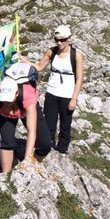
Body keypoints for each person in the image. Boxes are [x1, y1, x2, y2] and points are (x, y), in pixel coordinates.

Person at [0, 76, 52, 173]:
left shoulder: (28, 96)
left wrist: (26, 162)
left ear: (16, 94)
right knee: (7, 142)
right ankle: (6, 175)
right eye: (4, 100)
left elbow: (31, 131)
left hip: (25, 109)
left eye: (9, 100)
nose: (6, 102)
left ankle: (32, 168)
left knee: (44, 144)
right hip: (5, 114)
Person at [32, 25, 84, 154]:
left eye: (62, 40)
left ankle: (62, 150)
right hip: (52, 92)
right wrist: (24, 61)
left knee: (65, 125)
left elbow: (79, 78)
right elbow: (39, 67)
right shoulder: (51, 51)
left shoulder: (76, 55)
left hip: (67, 94)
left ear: (69, 39)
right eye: (57, 40)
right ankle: (47, 148)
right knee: (49, 123)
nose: (59, 43)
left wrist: (74, 99)